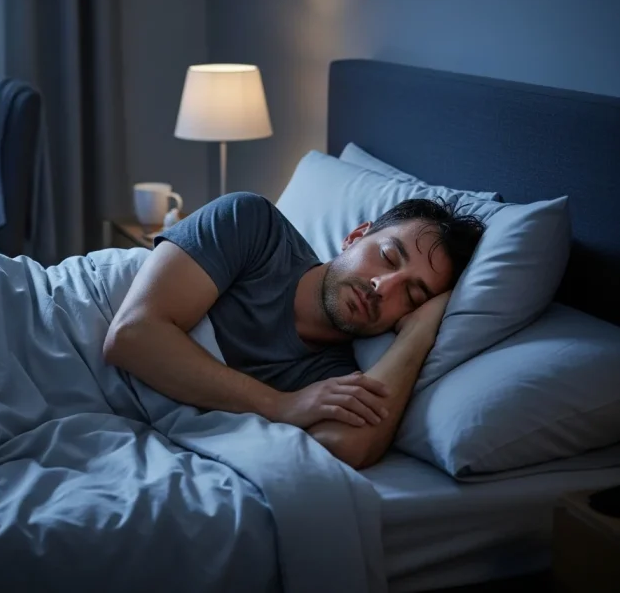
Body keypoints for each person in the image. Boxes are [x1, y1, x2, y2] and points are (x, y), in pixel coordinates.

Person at [103, 192, 485, 470]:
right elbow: (133, 334)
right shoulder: (253, 225)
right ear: (355, 235)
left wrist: (418, 335)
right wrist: (279, 404)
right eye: (387, 257)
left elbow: (344, 447)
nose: (382, 287)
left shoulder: (330, 376)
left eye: (412, 295)